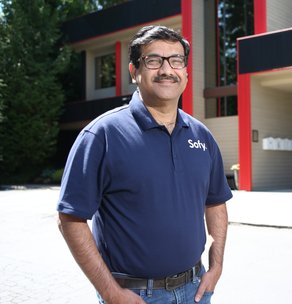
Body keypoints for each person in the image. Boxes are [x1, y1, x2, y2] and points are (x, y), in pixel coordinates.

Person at [57, 25, 232, 304]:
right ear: (134, 71)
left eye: (176, 61)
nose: (167, 69)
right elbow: (70, 218)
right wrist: (110, 292)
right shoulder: (102, 135)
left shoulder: (202, 136)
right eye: (153, 61)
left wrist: (217, 265)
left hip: (195, 290)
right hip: (134, 295)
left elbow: (215, 202)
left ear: (185, 72)